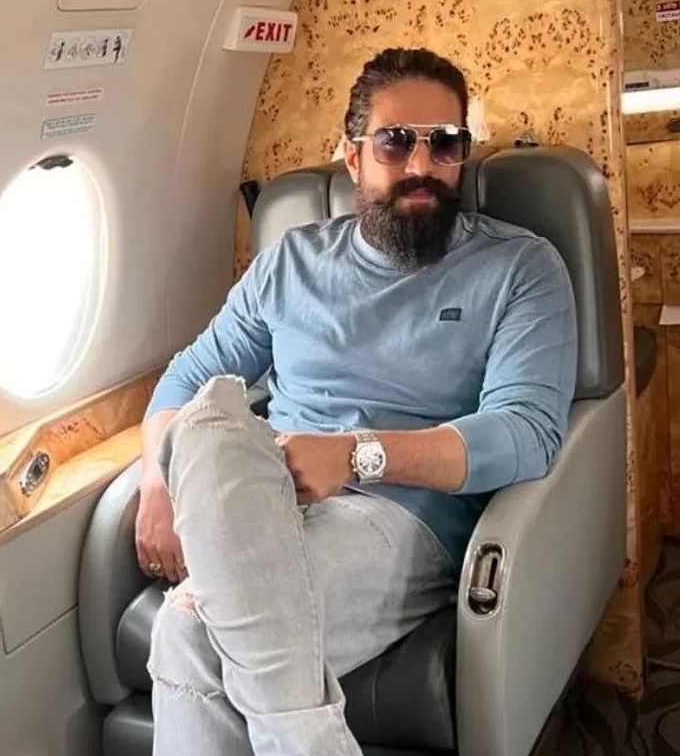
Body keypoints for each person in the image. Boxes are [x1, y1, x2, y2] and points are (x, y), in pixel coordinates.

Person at [135, 47, 578, 755]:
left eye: (445, 143)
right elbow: (186, 379)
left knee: (188, 633)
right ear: (352, 155)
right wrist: (159, 484)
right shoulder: (290, 262)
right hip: (264, 491)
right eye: (396, 141)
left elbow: (525, 432)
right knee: (210, 423)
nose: (422, 164)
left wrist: (354, 455)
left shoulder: (519, 267)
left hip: (399, 513)